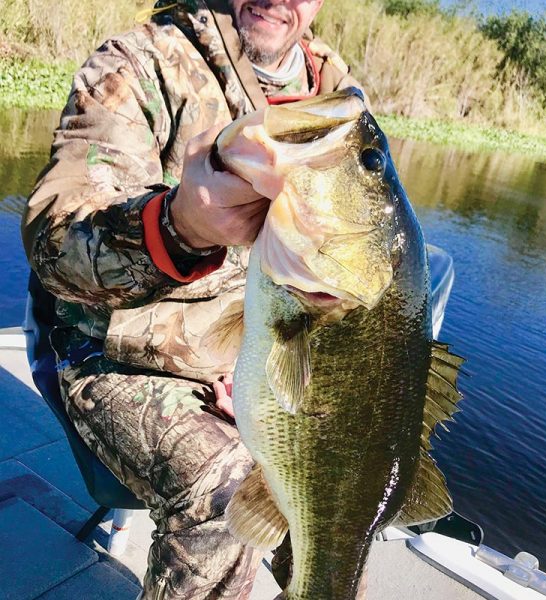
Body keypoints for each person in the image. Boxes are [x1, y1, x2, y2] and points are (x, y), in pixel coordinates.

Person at [21, 0, 365, 598]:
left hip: (262, 358)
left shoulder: (336, 94)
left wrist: (271, 393)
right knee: (227, 492)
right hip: (120, 356)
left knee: (345, 500)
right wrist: (179, 225)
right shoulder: (136, 63)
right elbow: (54, 244)